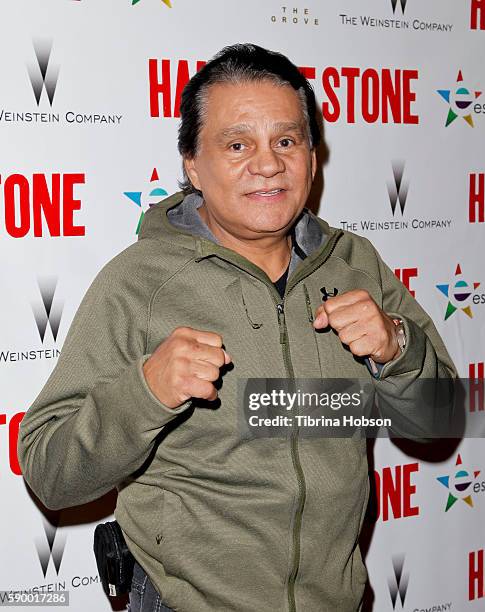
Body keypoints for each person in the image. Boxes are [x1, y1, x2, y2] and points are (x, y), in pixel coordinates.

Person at [18, 43, 456, 612]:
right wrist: (144, 393)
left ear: (313, 158)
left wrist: (398, 346)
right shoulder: (139, 282)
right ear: (193, 166)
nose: (268, 163)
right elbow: (51, 473)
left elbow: (443, 416)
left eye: (286, 140)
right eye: (237, 144)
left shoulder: (356, 264)